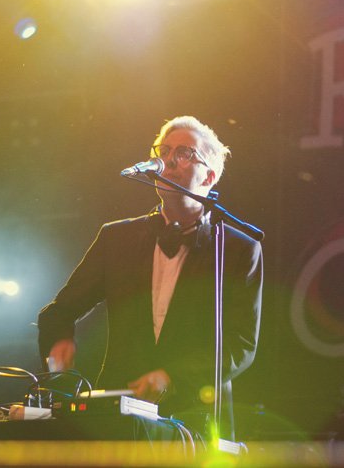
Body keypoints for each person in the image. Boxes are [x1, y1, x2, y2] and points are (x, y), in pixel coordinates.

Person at [37, 115, 263, 438]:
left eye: (184, 153)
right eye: (164, 150)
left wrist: (173, 377)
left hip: (195, 419)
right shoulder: (117, 239)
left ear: (209, 177)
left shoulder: (238, 249)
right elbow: (60, 312)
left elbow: (240, 345)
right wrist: (58, 346)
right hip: (116, 419)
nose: (168, 160)